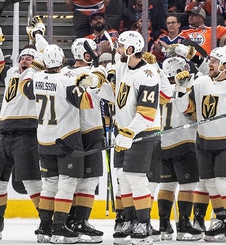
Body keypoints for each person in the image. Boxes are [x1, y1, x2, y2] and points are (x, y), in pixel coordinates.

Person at [20, 44, 98, 244]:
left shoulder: (36, 79)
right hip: (67, 139)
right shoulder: (67, 80)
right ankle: (59, 227)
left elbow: (24, 87)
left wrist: (36, 65)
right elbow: (87, 103)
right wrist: (84, 84)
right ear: (63, 60)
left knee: (50, 185)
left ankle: (44, 228)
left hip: (44, 139)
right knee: (67, 184)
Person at [0, 21, 43, 241]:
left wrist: (38, 37)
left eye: (30, 57)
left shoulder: (40, 76)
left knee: (32, 182)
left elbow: (49, 61)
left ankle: (46, 222)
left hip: (28, 133)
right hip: (4, 132)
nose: (25, 60)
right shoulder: (12, 74)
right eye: (23, 57)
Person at [175, 47, 226, 242]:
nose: (210, 64)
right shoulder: (201, 82)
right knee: (211, 185)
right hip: (204, 141)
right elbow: (186, 109)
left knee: (223, 183)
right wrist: (181, 89)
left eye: (214, 61)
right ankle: (222, 221)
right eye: (210, 60)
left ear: (225, 65)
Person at [61, 38, 114, 242]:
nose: (96, 53)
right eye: (93, 50)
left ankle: (74, 222)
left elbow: (105, 91)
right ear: (85, 54)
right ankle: (75, 221)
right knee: (81, 180)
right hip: (89, 131)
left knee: (79, 180)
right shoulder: (92, 71)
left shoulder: (65, 74)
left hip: (71, 132)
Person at [111, 31, 161, 244]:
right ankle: (131, 220)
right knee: (123, 179)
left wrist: (129, 132)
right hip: (123, 132)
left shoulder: (148, 74)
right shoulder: (124, 67)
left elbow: (147, 112)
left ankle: (144, 223)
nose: (118, 49)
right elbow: (117, 97)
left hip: (142, 133)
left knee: (136, 179)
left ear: (131, 50)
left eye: (121, 46)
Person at [154, 57, 202, 241]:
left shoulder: (160, 87)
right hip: (183, 141)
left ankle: (164, 225)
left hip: (161, 141)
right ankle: (183, 225)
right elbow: (191, 112)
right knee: (188, 185)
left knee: (167, 184)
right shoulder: (188, 87)